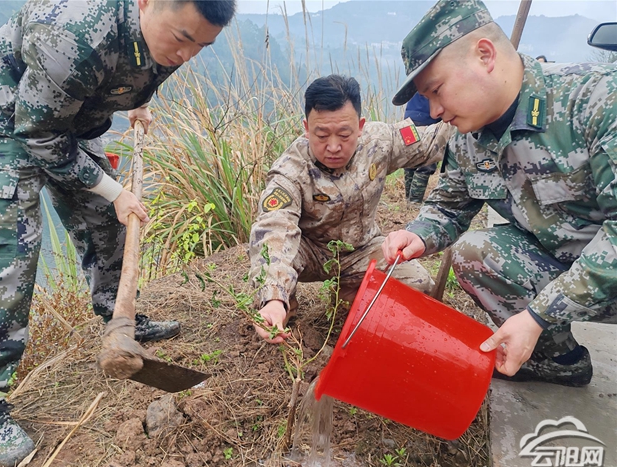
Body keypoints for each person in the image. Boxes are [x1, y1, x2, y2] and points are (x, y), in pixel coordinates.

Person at [0, 0, 236, 467]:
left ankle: (121, 323)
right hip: (6, 124)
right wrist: (115, 191)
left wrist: (138, 104)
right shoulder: (72, 33)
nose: (188, 55)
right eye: (183, 39)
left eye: (203, 45)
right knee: (9, 259)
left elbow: (143, 67)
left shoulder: (176, 36)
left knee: (107, 223)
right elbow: (39, 135)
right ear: (145, 3)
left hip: (70, 124)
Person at [385, 0, 616, 388]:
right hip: (568, 266)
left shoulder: (597, 99)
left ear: (485, 55)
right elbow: (449, 206)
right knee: (476, 252)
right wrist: (419, 235)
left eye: (437, 91)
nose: (435, 111)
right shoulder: (469, 137)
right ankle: (559, 361)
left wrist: (537, 316)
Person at [248, 74, 452, 344]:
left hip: (360, 249)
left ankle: (349, 295)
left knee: (418, 284)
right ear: (307, 128)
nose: (333, 147)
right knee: (275, 269)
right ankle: (281, 309)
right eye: (321, 135)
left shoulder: (379, 141)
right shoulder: (290, 170)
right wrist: (274, 297)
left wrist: (473, 115)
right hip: (309, 253)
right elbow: (273, 228)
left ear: (360, 127)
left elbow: (431, 142)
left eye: (344, 135)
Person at [403, 93, 441, 203]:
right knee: (427, 162)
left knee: (410, 159)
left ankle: (409, 198)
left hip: (407, 121)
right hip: (427, 121)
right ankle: (415, 200)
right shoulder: (435, 84)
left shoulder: (415, 82)